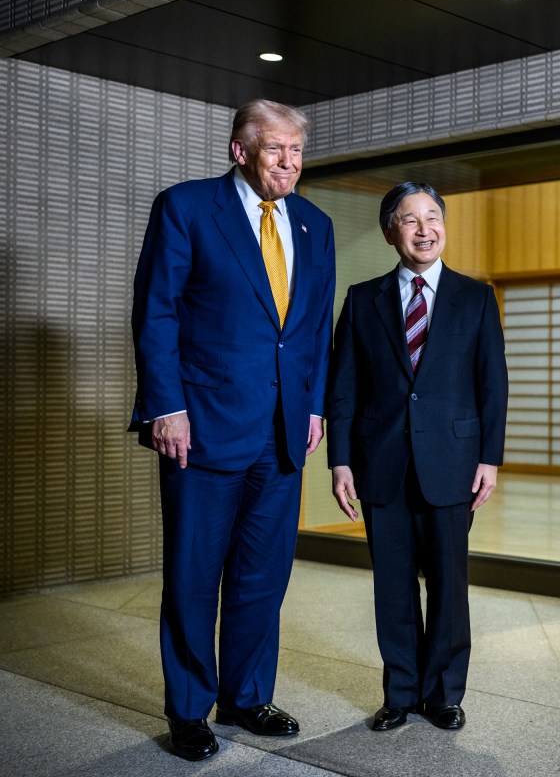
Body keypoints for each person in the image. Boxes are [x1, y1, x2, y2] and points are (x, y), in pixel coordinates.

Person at [129, 99, 336, 761]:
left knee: (261, 576)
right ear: (238, 151)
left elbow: (313, 329)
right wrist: (166, 406)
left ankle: (246, 697)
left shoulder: (314, 224)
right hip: (203, 428)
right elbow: (156, 312)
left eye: (297, 150)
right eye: (275, 148)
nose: (289, 162)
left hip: (281, 432)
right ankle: (190, 709)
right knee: (194, 575)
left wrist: (313, 406)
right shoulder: (187, 209)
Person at [325, 182, 507, 733]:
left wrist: (489, 459)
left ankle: (445, 694)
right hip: (381, 465)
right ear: (390, 232)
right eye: (410, 219)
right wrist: (340, 461)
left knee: (449, 585)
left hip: (452, 463)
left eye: (433, 217)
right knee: (393, 586)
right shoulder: (362, 300)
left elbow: (492, 385)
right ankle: (400, 693)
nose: (425, 228)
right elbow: (343, 389)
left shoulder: (475, 298)